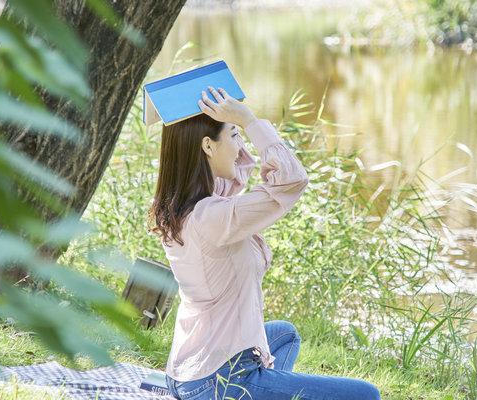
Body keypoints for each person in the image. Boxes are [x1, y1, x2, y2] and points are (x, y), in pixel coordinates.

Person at [149, 86, 380, 400]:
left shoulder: (186, 209)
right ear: (207, 146)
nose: (241, 143)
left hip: (189, 371)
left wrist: (231, 127)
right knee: (365, 395)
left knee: (285, 334)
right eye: (234, 136)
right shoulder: (213, 217)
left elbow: (238, 173)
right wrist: (249, 120)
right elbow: (291, 180)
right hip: (220, 380)